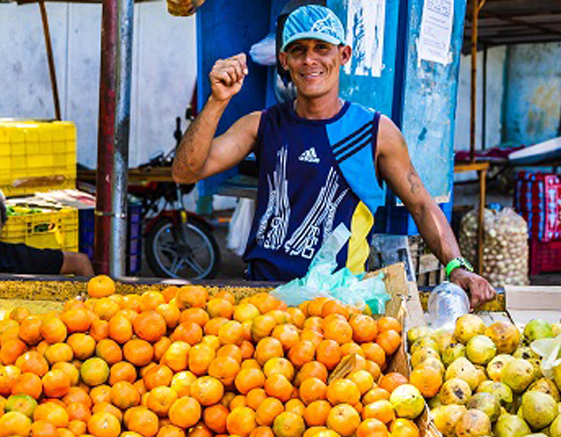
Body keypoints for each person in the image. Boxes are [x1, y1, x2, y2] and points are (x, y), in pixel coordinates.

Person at [172, 5, 496, 308]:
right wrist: (217, 101)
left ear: (343, 55)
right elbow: (185, 173)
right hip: (265, 297)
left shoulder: (375, 131)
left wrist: (458, 267)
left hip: (339, 304)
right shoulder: (261, 125)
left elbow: (422, 204)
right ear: (284, 60)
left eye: (321, 48)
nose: (310, 60)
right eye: (299, 50)